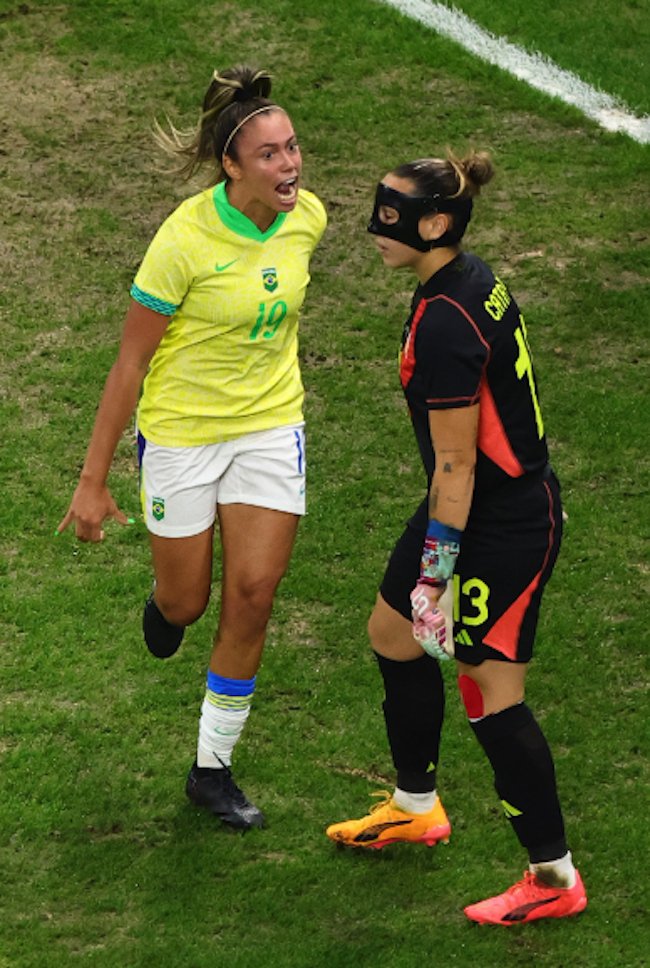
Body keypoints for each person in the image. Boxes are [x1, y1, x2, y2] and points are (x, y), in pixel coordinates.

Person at [58, 65, 327, 831]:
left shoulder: (308, 217)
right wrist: (92, 480)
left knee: (254, 596)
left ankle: (212, 770)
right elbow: (130, 365)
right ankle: (166, 607)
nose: (290, 165)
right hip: (181, 434)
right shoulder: (182, 239)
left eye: (293, 148)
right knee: (189, 600)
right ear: (232, 166)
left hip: (271, 427)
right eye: (271, 155)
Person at [325, 151, 587, 926]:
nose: (375, 227)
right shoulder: (463, 282)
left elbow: (457, 462)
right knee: (392, 635)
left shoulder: (446, 320)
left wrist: (434, 575)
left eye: (391, 214)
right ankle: (417, 805)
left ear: (436, 224)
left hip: (498, 523)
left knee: (491, 696)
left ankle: (553, 878)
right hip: (471, 503)